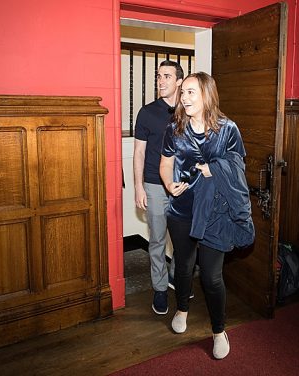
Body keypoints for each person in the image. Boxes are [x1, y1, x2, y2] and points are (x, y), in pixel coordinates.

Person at [160, 72, 252, 360]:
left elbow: (238, 166)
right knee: (184, 267)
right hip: (182, 210)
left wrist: (216, 169)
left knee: (212, 278)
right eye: (183, 92)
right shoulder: (174, 128)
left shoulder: (228, 129)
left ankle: (218, 330)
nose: (184, 98)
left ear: (206, 95)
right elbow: (165, 164)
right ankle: (182, 308)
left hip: (215, 213)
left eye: (190, 92)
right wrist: (168, 185)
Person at [133, 60, 184, 315]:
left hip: (183, 187)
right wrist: (138, 187)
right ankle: (160, 289)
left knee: (183, 240)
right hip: (154, 185)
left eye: (166, 76)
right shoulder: (147, 112)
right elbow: (139, 153)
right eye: (158, 76)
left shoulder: (188, 110)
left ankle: (176, 275)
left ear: (179, 81)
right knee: (157, 240)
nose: (161, 81)